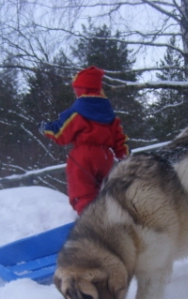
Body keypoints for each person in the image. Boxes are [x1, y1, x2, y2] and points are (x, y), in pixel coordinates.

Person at [38, 66, 130, 215]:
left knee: (82, 191)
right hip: (106, 157)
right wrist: (122, 154)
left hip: (83, 155)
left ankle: (89, 220)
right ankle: (107, 215)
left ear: (82, 90)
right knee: (102, 189)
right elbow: (119, 137)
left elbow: (60, 133)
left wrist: (45, 128)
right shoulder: (108, 113)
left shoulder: (77, 112)